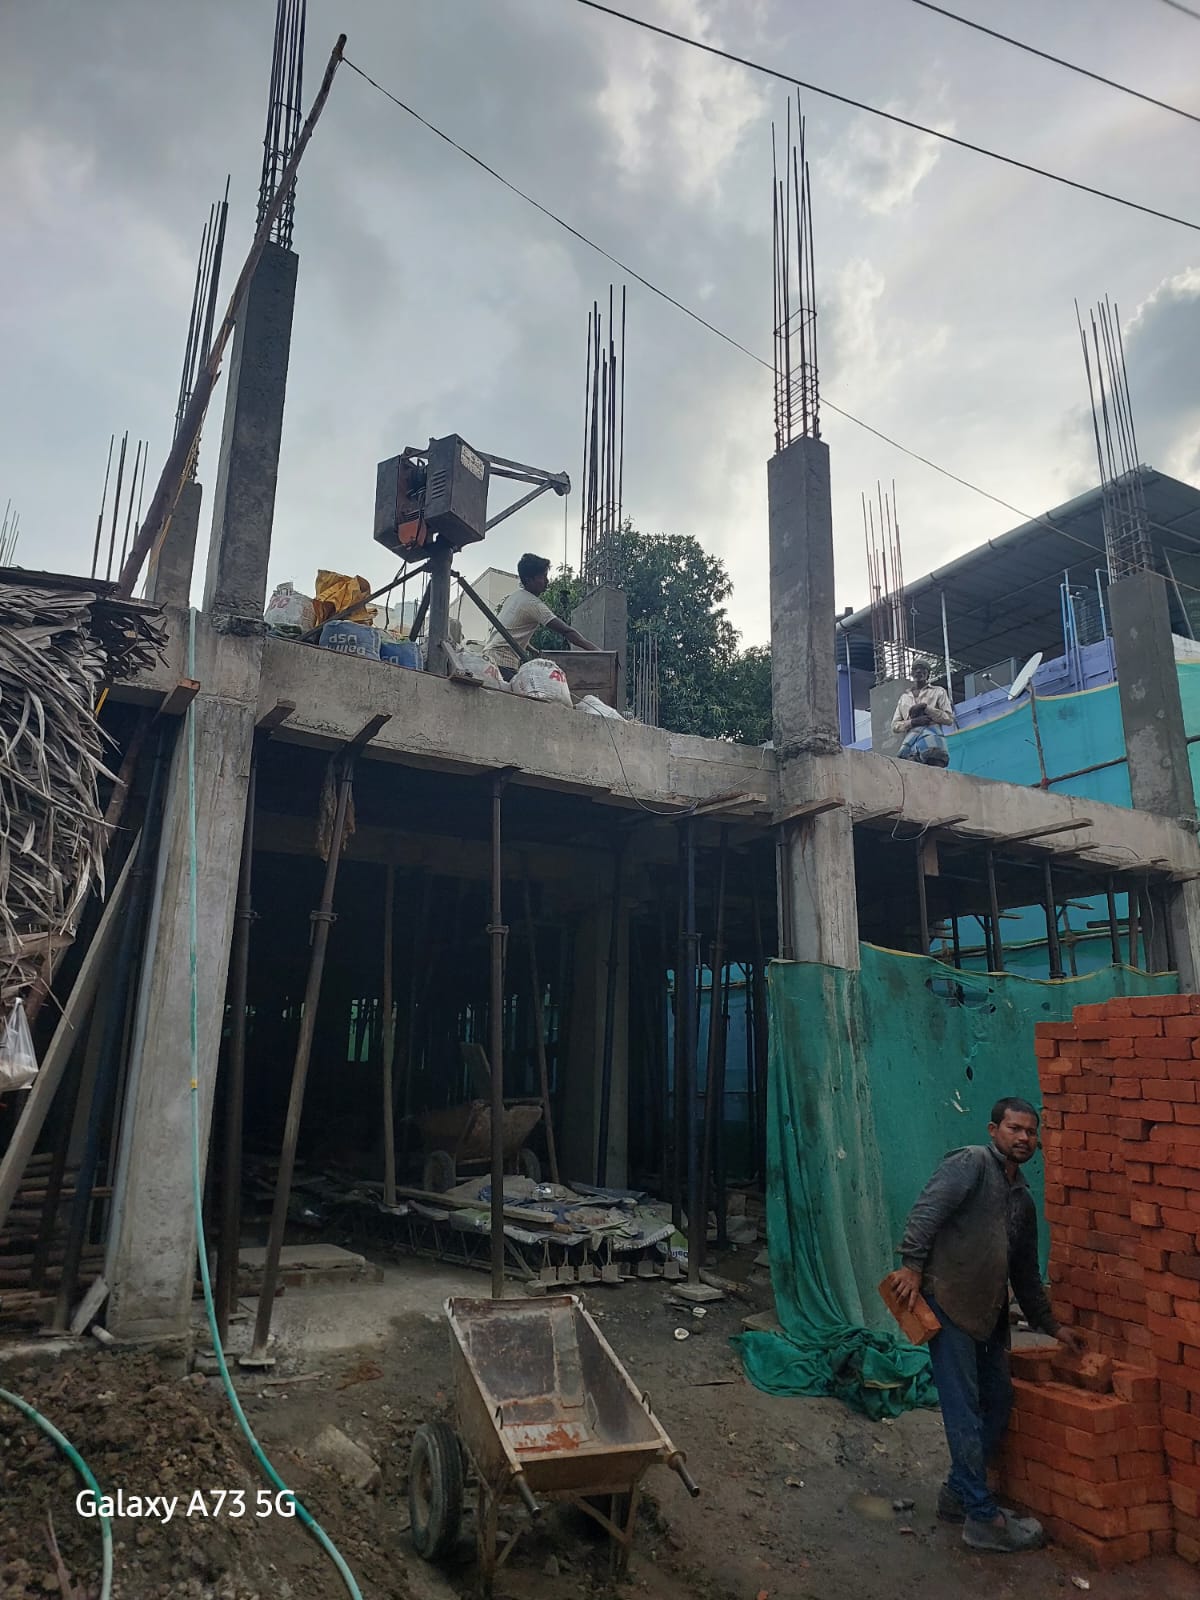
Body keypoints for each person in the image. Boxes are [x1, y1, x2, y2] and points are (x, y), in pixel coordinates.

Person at [887, 1097, 1087, 1554]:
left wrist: (1053, 1327)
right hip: (949, 1304)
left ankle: (959, 1495)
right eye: (1015, 1128)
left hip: (989, 1315)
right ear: (993, 1130)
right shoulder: (972, 1163)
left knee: (998, 1399)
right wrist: (912, 1267)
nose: (1024, 1138)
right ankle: (982, 1518)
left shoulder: (1023, 1201)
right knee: (962, 1408)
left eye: (1031, 1132)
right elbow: (927, 1211)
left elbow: (1026, 1275)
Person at [483, 554, 598, 676]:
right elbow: (567, 631)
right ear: (529, 579)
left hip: (489, 658)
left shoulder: (515, 597)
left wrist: (534, 651)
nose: (547, 581)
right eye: (542, 577)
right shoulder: (533, 603)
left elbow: (512, 632)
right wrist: (597, 651)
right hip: (503, 663)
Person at [892, 661, 954, 766]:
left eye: (922, 669)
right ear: (911, 673)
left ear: (928, 673)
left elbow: (949, 719)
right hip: (912, 744)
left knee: (935, 766)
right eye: (915, 669)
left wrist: (926, 708)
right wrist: (913, 722)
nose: (918, 671)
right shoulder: (904, 697)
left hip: (933, 742)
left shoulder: (938, 691)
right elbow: (895, 726)